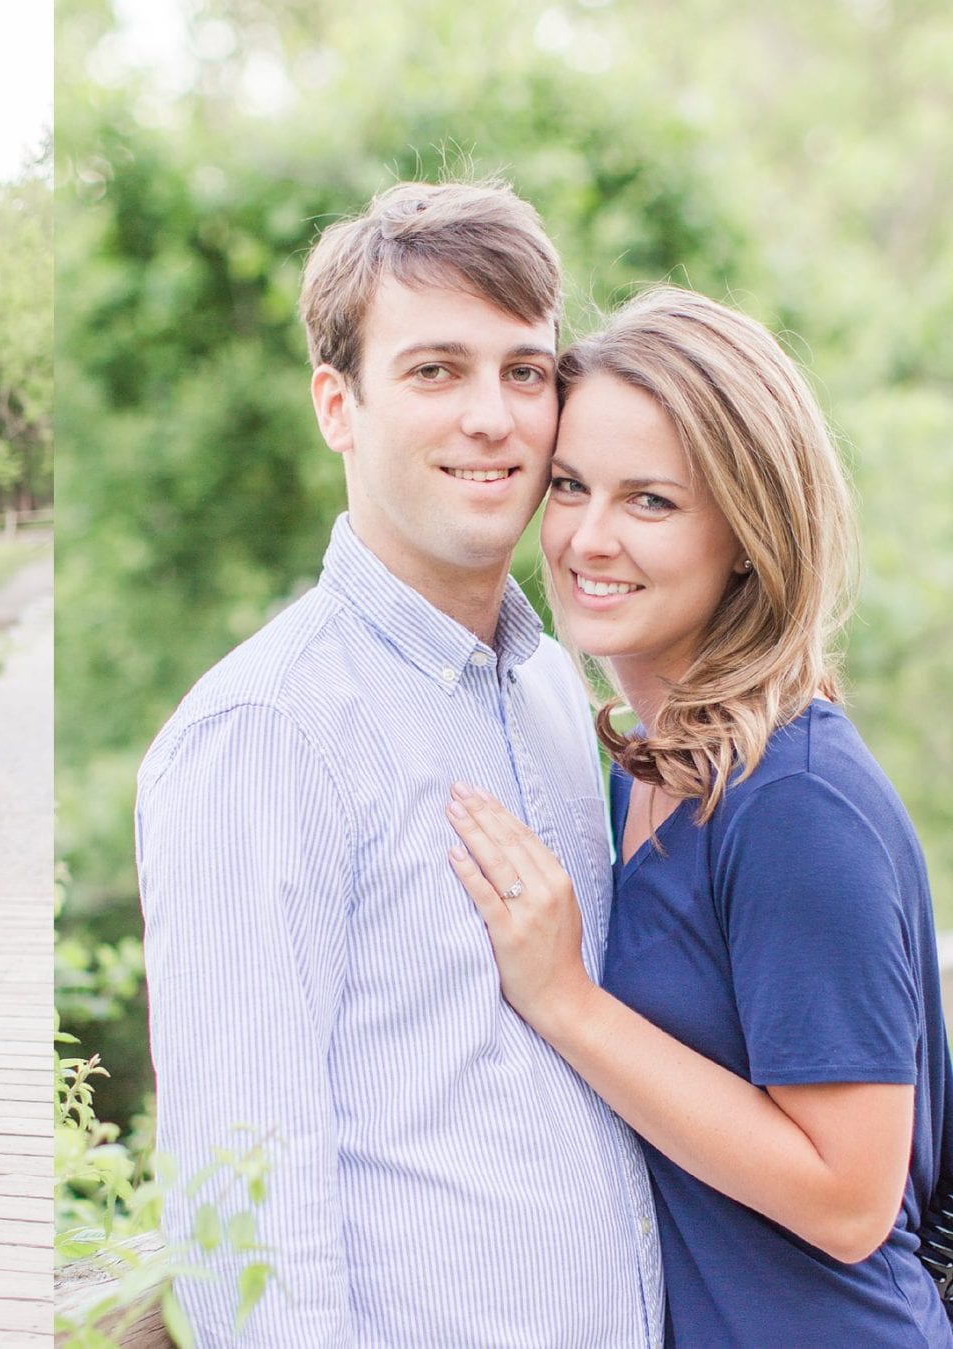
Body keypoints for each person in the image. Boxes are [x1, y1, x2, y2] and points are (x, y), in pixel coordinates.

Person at [134, 181, 661, 1345]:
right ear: (339, 404)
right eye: (435, 370)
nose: (494, 417)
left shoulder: (546, 685)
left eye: (526, 371)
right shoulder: (267, 733)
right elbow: (241, 1218)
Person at [444, 286, 953, 1345]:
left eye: (651, 502)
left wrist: (568, 999)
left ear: (748, 531)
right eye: (572, 484)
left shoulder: (792, 799)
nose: (587, 536)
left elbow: (851, 1197)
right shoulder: (641, 775)